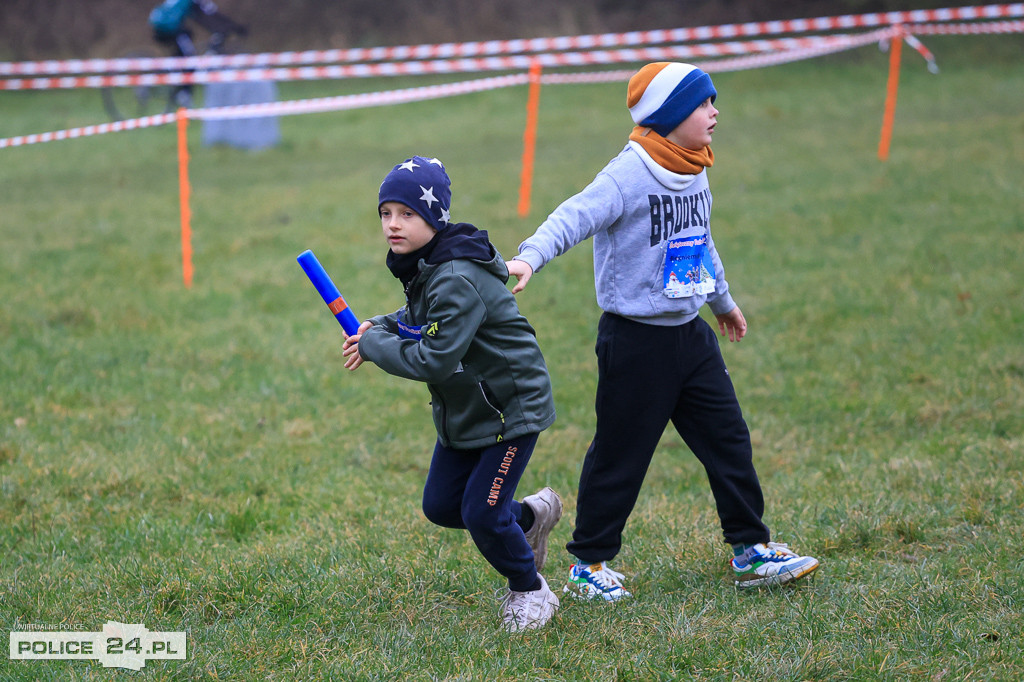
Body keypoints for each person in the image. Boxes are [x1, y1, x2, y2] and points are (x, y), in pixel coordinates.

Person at [506, 62, 820, 599]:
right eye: (703, 104)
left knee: (729, 439)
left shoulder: (694, 165)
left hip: (691, 336)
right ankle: (589, 564)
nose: (715, 112)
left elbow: (699, 240)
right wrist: (529, 258)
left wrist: (722, 302)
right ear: (671, 115)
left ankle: (750, 548)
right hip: (635, 343)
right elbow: (573, 216)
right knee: (620, 455)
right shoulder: (627, 175)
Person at [342, 156, 563, 631]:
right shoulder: (428, 265)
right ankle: (528, 518)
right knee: (442, 507)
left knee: (481, 513)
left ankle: (531, 589)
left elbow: (434, 357)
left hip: (510, 408)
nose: (392, 225)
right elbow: (417, 316)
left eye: (407, 214)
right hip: (469, 408)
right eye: (385, 213)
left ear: (435, 218)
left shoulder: (456, 276)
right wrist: (378, 327)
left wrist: (377, 345)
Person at [148, 0, 247, 105]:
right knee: (190, 59)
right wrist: (233, 27)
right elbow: (210, 16)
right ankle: (184, 93)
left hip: (163, 26)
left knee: (185, 50)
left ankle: (177, 79)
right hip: (169, 27)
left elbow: (203, 17)